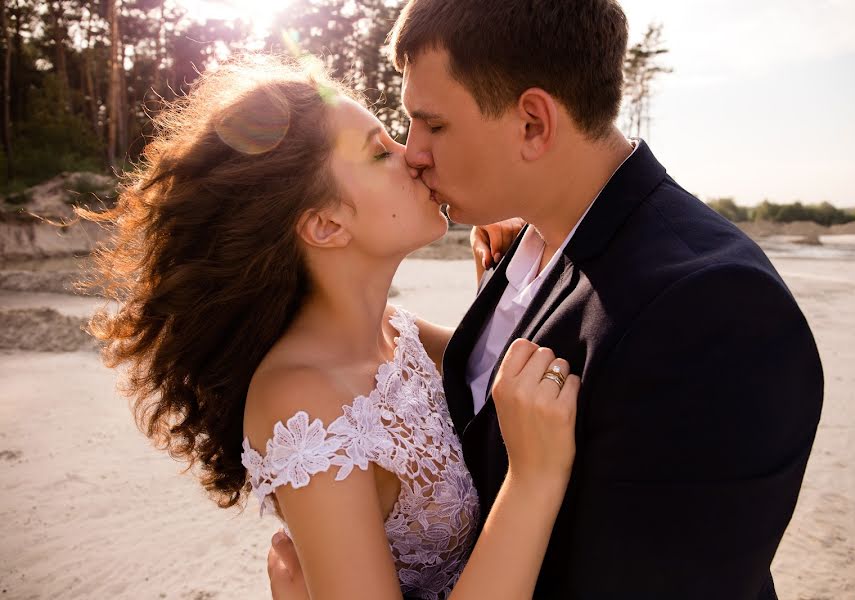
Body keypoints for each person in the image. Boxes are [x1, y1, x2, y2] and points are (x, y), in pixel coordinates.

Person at [268, 1, 824, 598]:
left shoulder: (713, 312)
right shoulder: (528, 248)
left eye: (433, 124)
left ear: (533, 124)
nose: (415, 152)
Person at [83, 55, 584, 600]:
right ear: (325, 225)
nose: (414, 155)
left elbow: (494, 365)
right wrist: (533, 482)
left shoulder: (397, 333)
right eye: (378, 151)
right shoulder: (301, 399)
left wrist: (509, 270)